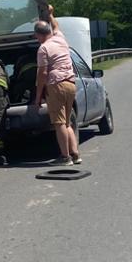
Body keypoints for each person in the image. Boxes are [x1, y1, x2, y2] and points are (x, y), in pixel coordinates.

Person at [32, 19, 79, 166]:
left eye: (36, 36)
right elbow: (56, 25)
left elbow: (42, 74)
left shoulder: (43, 49)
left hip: (56, 85)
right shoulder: (60, 39)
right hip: (70, 83)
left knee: (58, 123)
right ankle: (75, 154)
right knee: (66, 122)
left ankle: (65, 158)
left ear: (38, 35)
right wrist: (50, 13)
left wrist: (38, 96)